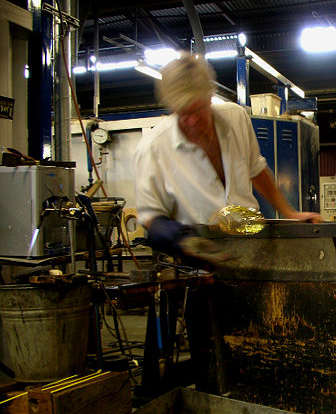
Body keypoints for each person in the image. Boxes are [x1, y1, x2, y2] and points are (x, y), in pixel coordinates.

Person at [133, 51, 322, 262]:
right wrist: (184, 241)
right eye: (185, 113)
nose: (194, 121)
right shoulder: (153, 148)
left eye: (199, 109)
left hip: (250, 246)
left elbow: (256, 169)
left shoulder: (236, 118)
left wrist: (290, 212)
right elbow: (150, 216)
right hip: (198, 260)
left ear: (209, 97)